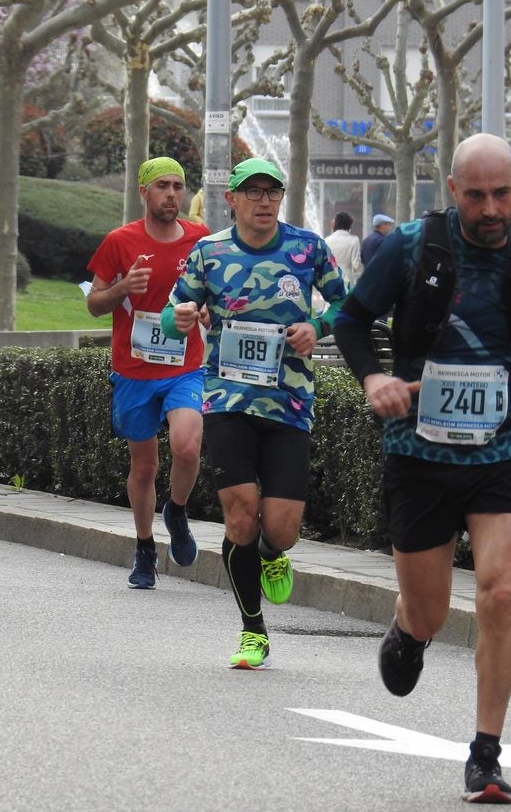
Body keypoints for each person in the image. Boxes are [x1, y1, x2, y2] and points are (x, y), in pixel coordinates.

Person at [333, 133, 511, 805]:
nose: (489, 208)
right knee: (428, 612)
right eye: (475, 195)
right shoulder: (410, 249)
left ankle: (484, 755)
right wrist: (371, 380)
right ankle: (410, 628)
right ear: (451, 190)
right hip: (418, 455)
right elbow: (351, 319)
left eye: (501, 193)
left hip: (501, 449)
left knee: (499, 593)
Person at [161, 157, 349, 667]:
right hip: (226, 401)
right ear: (233, 199)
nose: (264, 201)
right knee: (240, 518)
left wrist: (319, 326)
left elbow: (346, 305)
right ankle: (253, 630)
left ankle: (272, 555)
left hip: (289, 403)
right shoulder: (210, 252)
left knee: (281, 529)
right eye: (254, 192)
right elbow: (174, 313)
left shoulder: (308, 248)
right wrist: (178, 316)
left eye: (273, 193)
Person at [86, 156, 210, 589]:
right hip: (134, 370)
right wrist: (123, 288)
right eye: (162, 186)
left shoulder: (200, 239)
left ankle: (176, 510)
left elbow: (212, 294)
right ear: (144, 193)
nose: (172, 194)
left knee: (188, 447)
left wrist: (207, 312)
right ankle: (144, 547)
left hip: (185, 367)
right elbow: (95, 302)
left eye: (178, 185)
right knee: (143, 467)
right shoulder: (120, 242)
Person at [326, 211, 363, 287]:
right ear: (350, 225)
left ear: (336, 224)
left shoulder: (326, 240)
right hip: (347, 279)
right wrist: (361, 276)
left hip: (331, 279)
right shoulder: (354, 240)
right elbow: (356, 265)